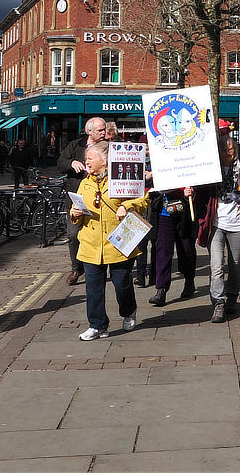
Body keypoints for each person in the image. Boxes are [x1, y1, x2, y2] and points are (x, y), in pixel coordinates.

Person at [68, 141, 150, 340]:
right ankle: (97, 325)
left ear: (104, 160)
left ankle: (129, 310)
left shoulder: (122, 178)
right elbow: (75, 209)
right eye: (86, 158)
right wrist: (75, 212)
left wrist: (127, 205)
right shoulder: (85, 182)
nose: (86, 161)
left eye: (90, 158)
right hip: (90, 243)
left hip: (119, 243)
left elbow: (144, 199)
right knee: (93, 288)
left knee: (122, 283)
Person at [194, 133, 240, 322]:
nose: (229, 153)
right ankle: (218, 303)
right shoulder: (211, 169)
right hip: (216, 224)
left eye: (231, 149)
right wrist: (193, 190)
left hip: (238, 225)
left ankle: (232, 297)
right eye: (224, 150)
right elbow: (201, 198)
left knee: (235, 265)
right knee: (216, 267)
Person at [58, 117, 109, 285]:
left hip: (103, 200)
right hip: (77, 198)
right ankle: (76, 268)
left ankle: (99, 266)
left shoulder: (109, 146)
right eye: (100, 130)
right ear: (89, 131)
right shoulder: (75, 145)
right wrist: (71, 162)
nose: (103, 132)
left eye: (104, 129)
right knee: (73, 234)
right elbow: (60, 162)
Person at [148, 183, 197, 306]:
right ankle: (161, 290)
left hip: (184, 212)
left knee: (187, 249)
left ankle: (189, 280)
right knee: (163, 251)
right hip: (164, 214)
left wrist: (191, 192)